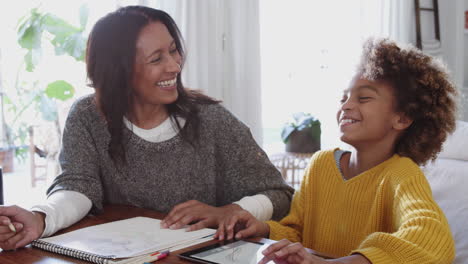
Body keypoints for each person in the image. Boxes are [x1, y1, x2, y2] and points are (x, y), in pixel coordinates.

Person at [0, 6, 293, 250]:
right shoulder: (87, 116)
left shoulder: (212, 120)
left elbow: (278, 194)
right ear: (120, 71)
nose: (175, 66)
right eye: (157, 59)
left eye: (174, 51)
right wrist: (42, 217)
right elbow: (78, 186)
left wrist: (232, 211)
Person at [216, 38, 457, 264]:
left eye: (363, 98)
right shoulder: (321, 164)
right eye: (344, 97)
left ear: (402, 118)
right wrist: (265, 228)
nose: (346, 105)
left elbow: (433, 241)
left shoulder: (402, 174)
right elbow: (297, 230)